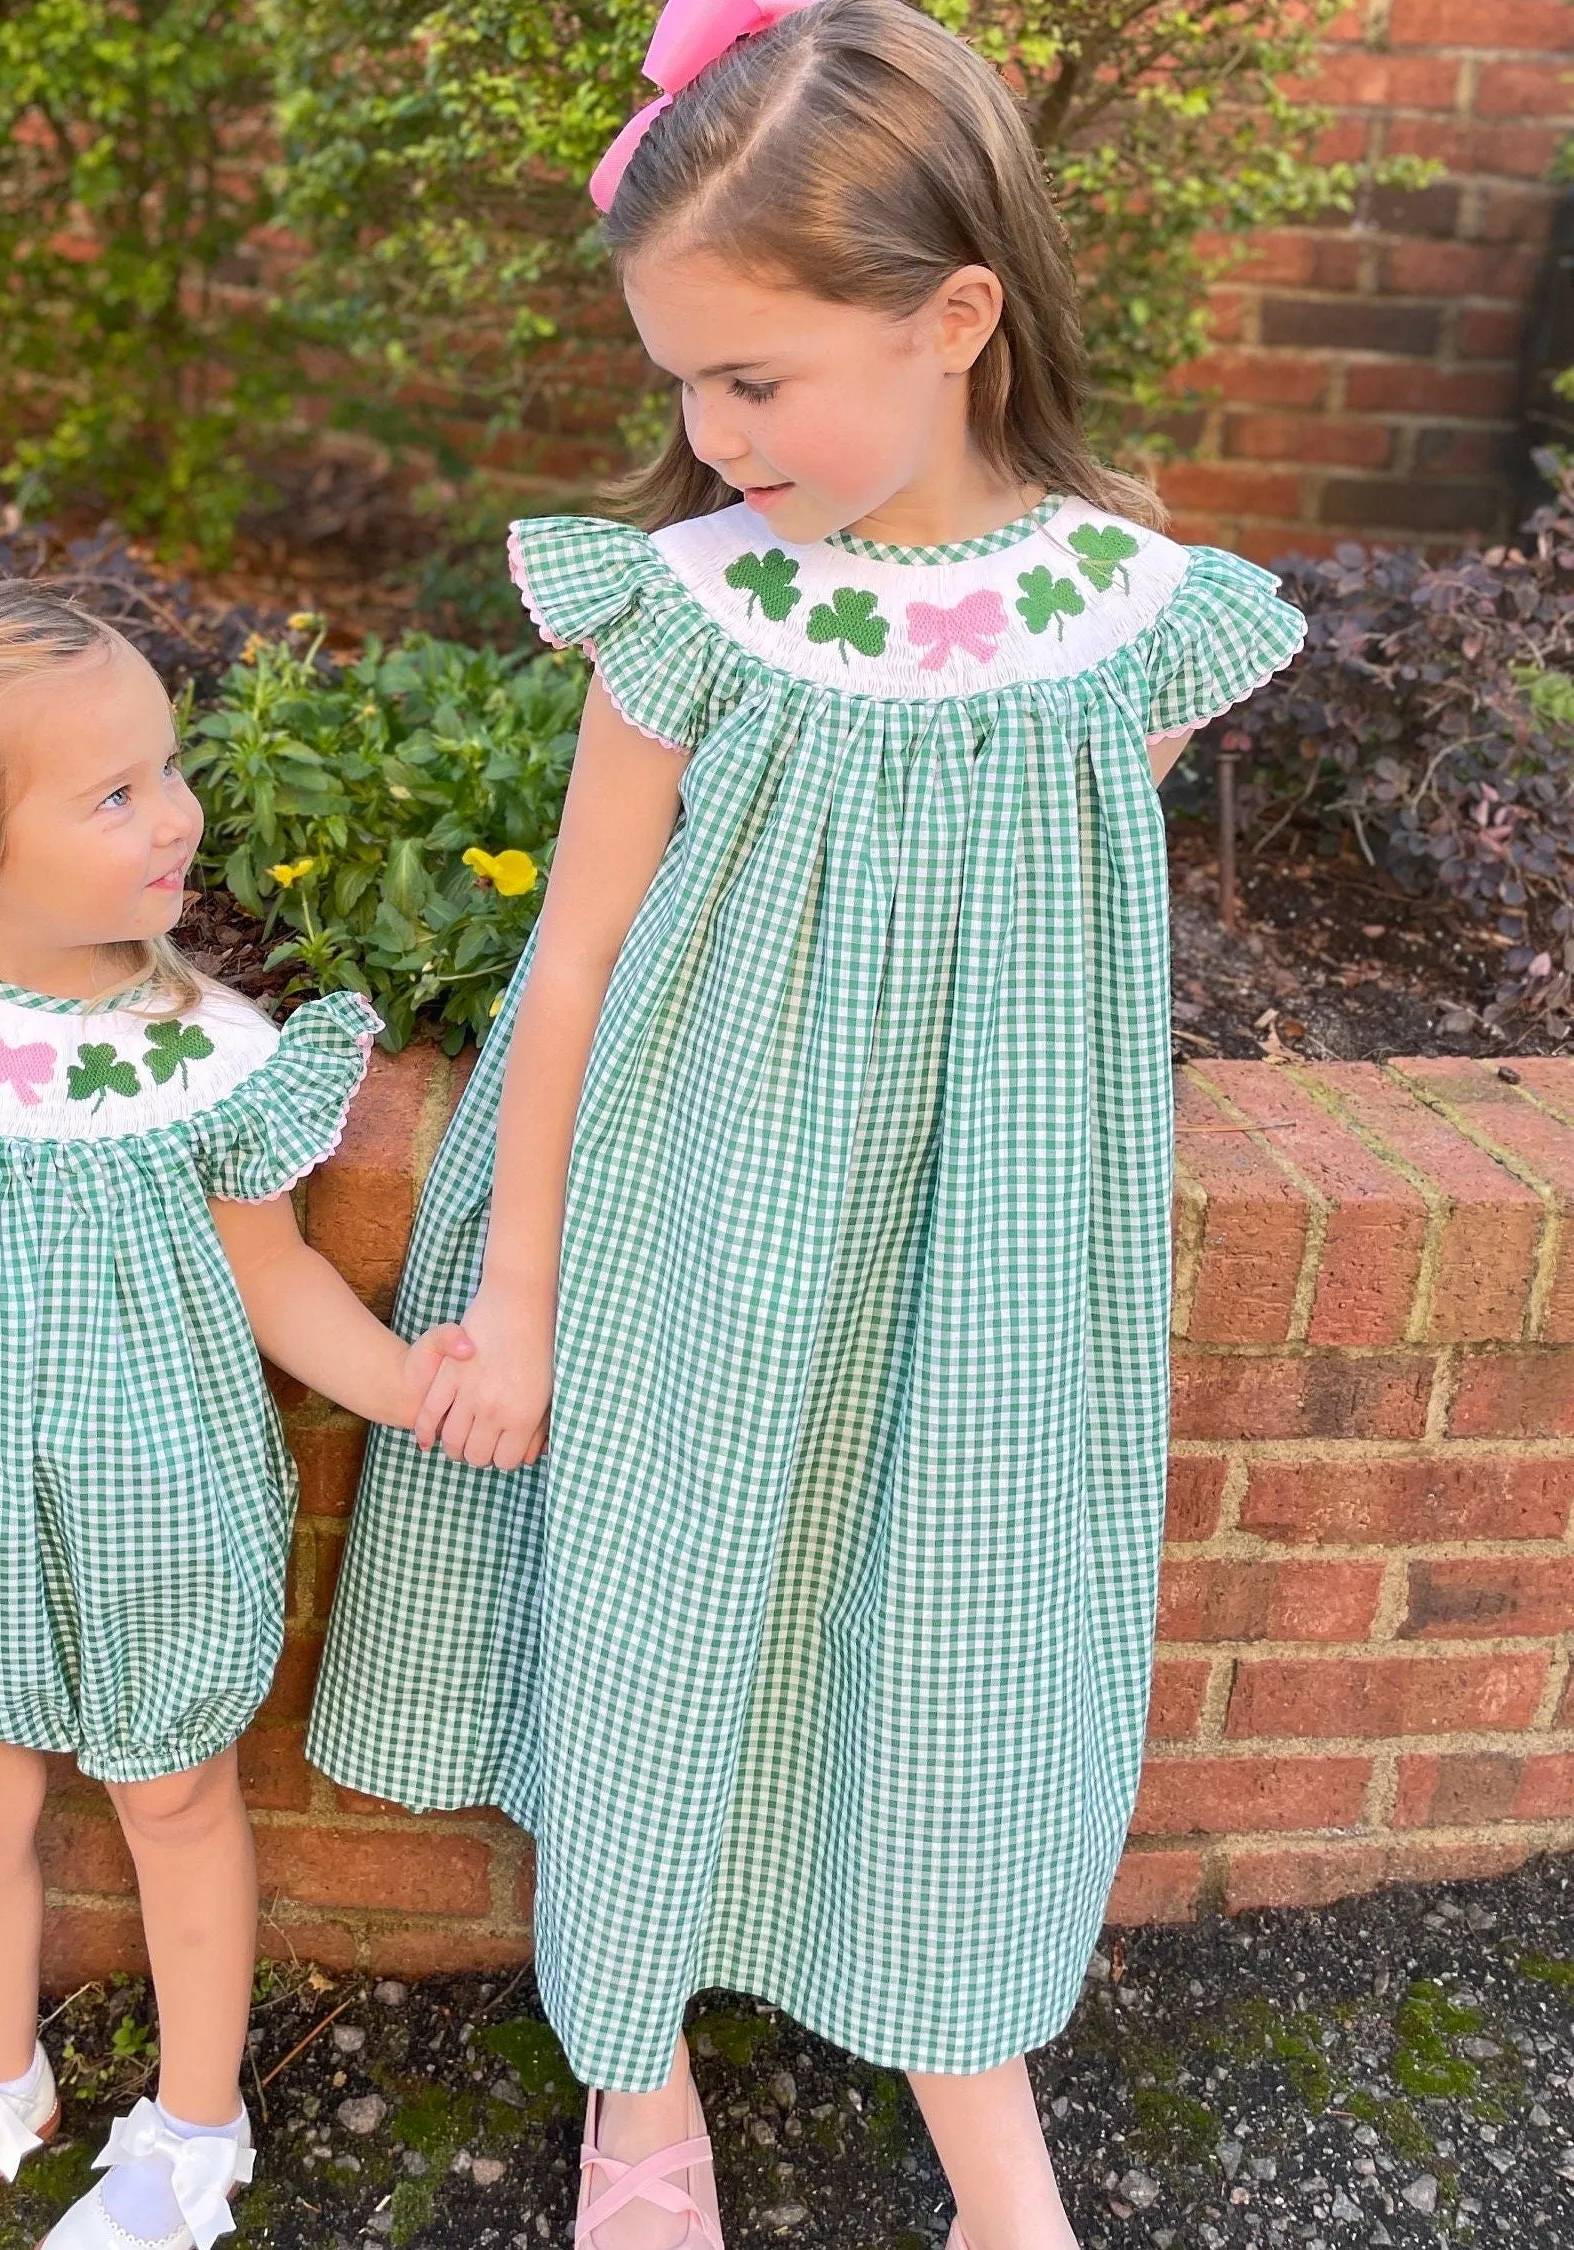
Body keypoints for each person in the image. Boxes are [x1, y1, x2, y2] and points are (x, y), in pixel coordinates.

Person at [308, 5, 1306, 2246]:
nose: (707, 431)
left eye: (753, 381)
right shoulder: (697, 609)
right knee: (656, 1629)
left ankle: (992, 2157)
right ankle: (636, 2088)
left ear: (957, 320)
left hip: (982, 1257)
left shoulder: (1130, 633)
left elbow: (1031, 975)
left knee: (960, 1659)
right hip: (685, 1223)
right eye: (680, 380)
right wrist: (527, 1290)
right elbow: (570, 955)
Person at [0, 545, 471, 2250]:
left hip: (160, 1504)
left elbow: (274, 1279)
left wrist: (415, 1388)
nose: (177, 815)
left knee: (173, 1795)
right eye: (118, 791)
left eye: (172, 767)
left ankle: (192, 2123)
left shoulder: (204, 1055)